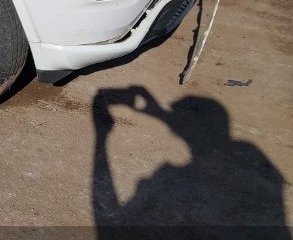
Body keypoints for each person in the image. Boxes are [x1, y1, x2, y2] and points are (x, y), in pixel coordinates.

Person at [92, 86, 289, 239]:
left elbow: (109, 223)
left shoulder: (176, 185)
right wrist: (158, 111)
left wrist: (101, 138)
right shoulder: (248, 156)